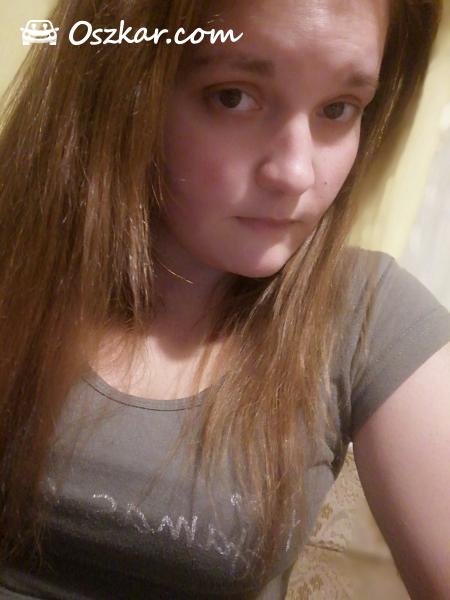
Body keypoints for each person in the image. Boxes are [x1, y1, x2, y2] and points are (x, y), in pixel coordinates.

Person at [0, 0, 449, 598]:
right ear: (121, 87)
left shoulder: (368, 316)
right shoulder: (16, 262)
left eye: (338, 109)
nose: (295, 172)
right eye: (234, 97)